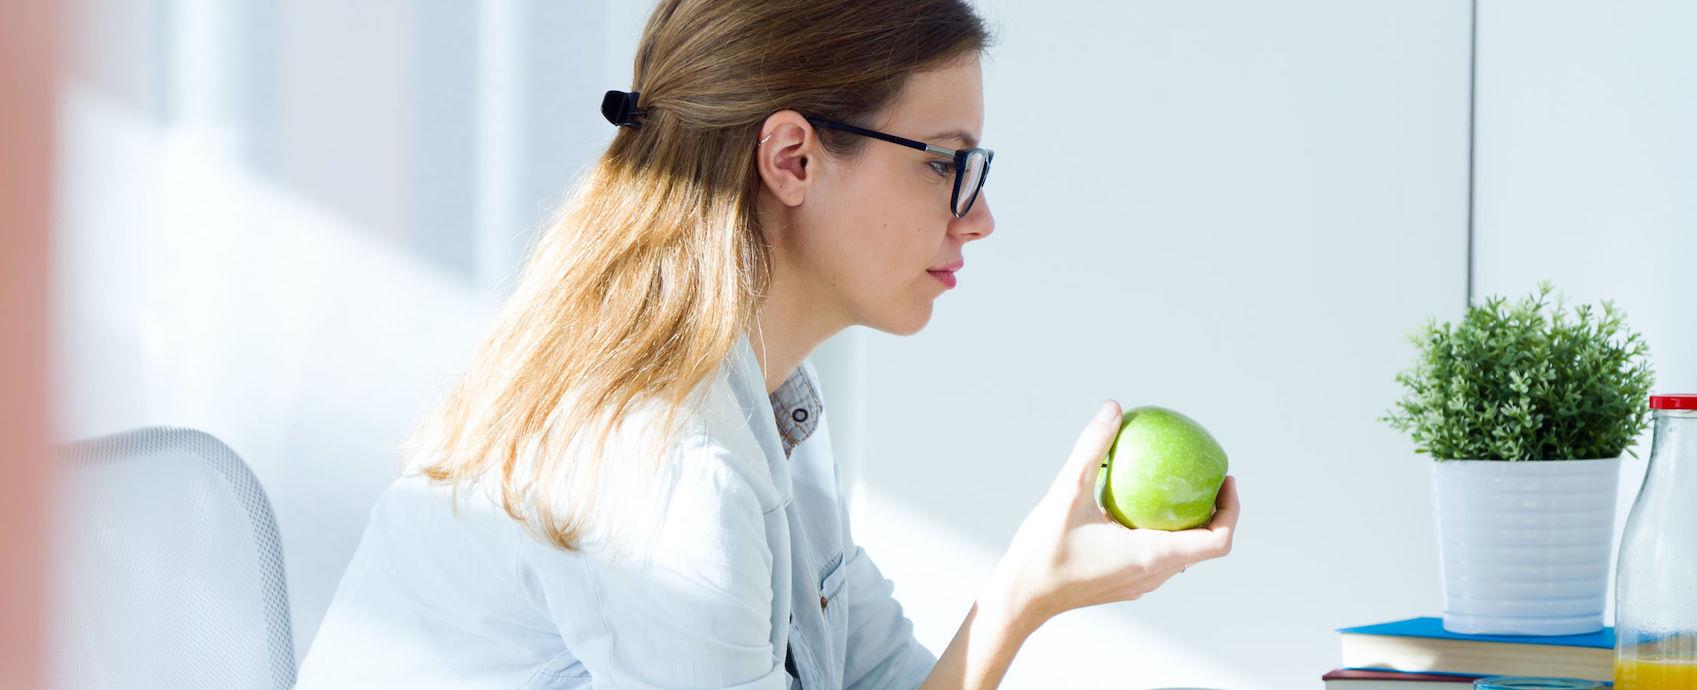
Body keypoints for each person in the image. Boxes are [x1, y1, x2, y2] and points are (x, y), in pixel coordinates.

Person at [297, 1, 1238, 688]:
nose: (981, 216)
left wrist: (1032, 588)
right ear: (791, 159)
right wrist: (1022, 600)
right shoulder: (672, 468)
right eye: (948, 164)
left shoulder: (772, 412)